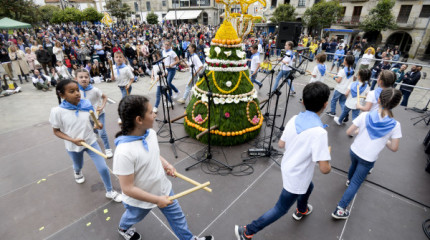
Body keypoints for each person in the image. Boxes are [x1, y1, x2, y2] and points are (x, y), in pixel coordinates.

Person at [234, 82, 332, 240]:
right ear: (325, 104)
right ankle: (247, 231)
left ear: (303, 101)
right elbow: (324, 169)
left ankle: (302, 209)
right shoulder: (319, 133)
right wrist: (326, 153)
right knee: (280, 208)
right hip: (297, 176)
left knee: (309, 186)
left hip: (288, 166)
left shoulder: (294, 118)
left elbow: (281, 144)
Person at [113, 95, 214, 240]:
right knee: (133, 216)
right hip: (140, 199)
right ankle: (123, 227)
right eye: (150, 112)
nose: (155, 114)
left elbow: (153, 154)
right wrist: (156, 200)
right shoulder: (124, 152)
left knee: (177, 218)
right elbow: (127, 188)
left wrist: (166, 164)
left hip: (162, 188)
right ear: (139, 120)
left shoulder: (151, 134)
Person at [332, 88, 402, 219]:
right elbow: (394, 147)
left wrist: (360, 131)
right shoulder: (395, 125)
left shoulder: (365, 115)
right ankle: (340, 210)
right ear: (396, 104)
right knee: (356, 183)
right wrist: (385, 140)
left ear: (379, 100)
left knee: (353, 166)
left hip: (354, 150)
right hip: (369, 158)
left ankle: (348, 180)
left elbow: (349, 132)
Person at [49, 79, 121, 202]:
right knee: (78, 165)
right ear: (62, 95)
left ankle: (110, 191)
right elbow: (56, 131)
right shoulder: (57, 111)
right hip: (73, 146)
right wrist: (72, 140)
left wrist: (97, 124)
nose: (77, 93)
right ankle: (77, 172)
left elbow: (93, 121)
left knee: (103, 167)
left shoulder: (86, 104)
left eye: (77, 90)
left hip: (90, 141)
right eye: (72, 91)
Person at [76, 69, 113, 158]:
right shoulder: (76, 91)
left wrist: (102, 106)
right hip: (87, 116)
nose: (84, 79)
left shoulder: (94, 90)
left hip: (98, 114)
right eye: (81, 77)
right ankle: (95, 133)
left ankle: (108, 149)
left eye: (86, 77)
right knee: (93, 129)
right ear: (76, 79)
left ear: (89, 78)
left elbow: (105, 97)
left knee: (102, 132)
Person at [327, 55, 355, 122]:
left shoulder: (342, 71)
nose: (343, 60)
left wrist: (334, 77)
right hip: (346, 90)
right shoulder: (353, 71)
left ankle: (332, 112)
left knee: (333, 100)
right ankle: (345, 114)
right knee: (342, 102)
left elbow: (338, 81)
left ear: (346, 61)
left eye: (344, 59)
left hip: (339, 89)